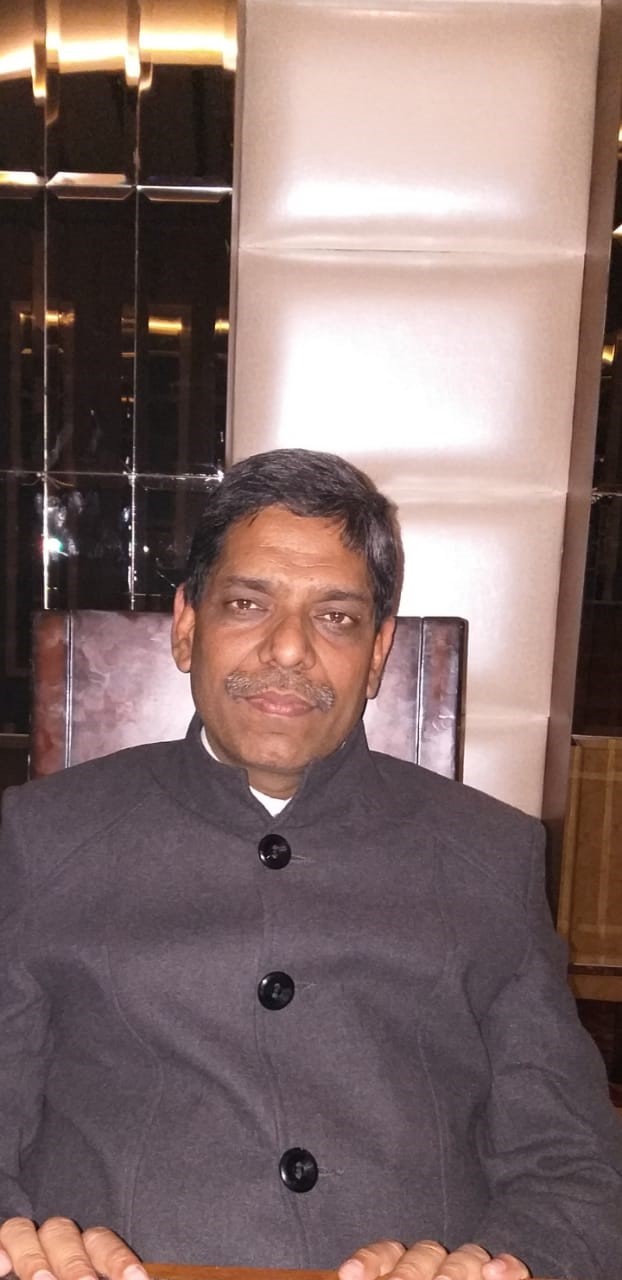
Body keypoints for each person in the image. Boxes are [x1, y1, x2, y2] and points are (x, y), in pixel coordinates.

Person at [0, 448, 620, 1280]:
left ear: (378, 652)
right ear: (187, 626)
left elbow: (575, 1167)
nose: (289, 649)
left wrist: (500, 1266)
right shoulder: (39, 840)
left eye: (336, 617)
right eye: (247, 604)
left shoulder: (491, 855)